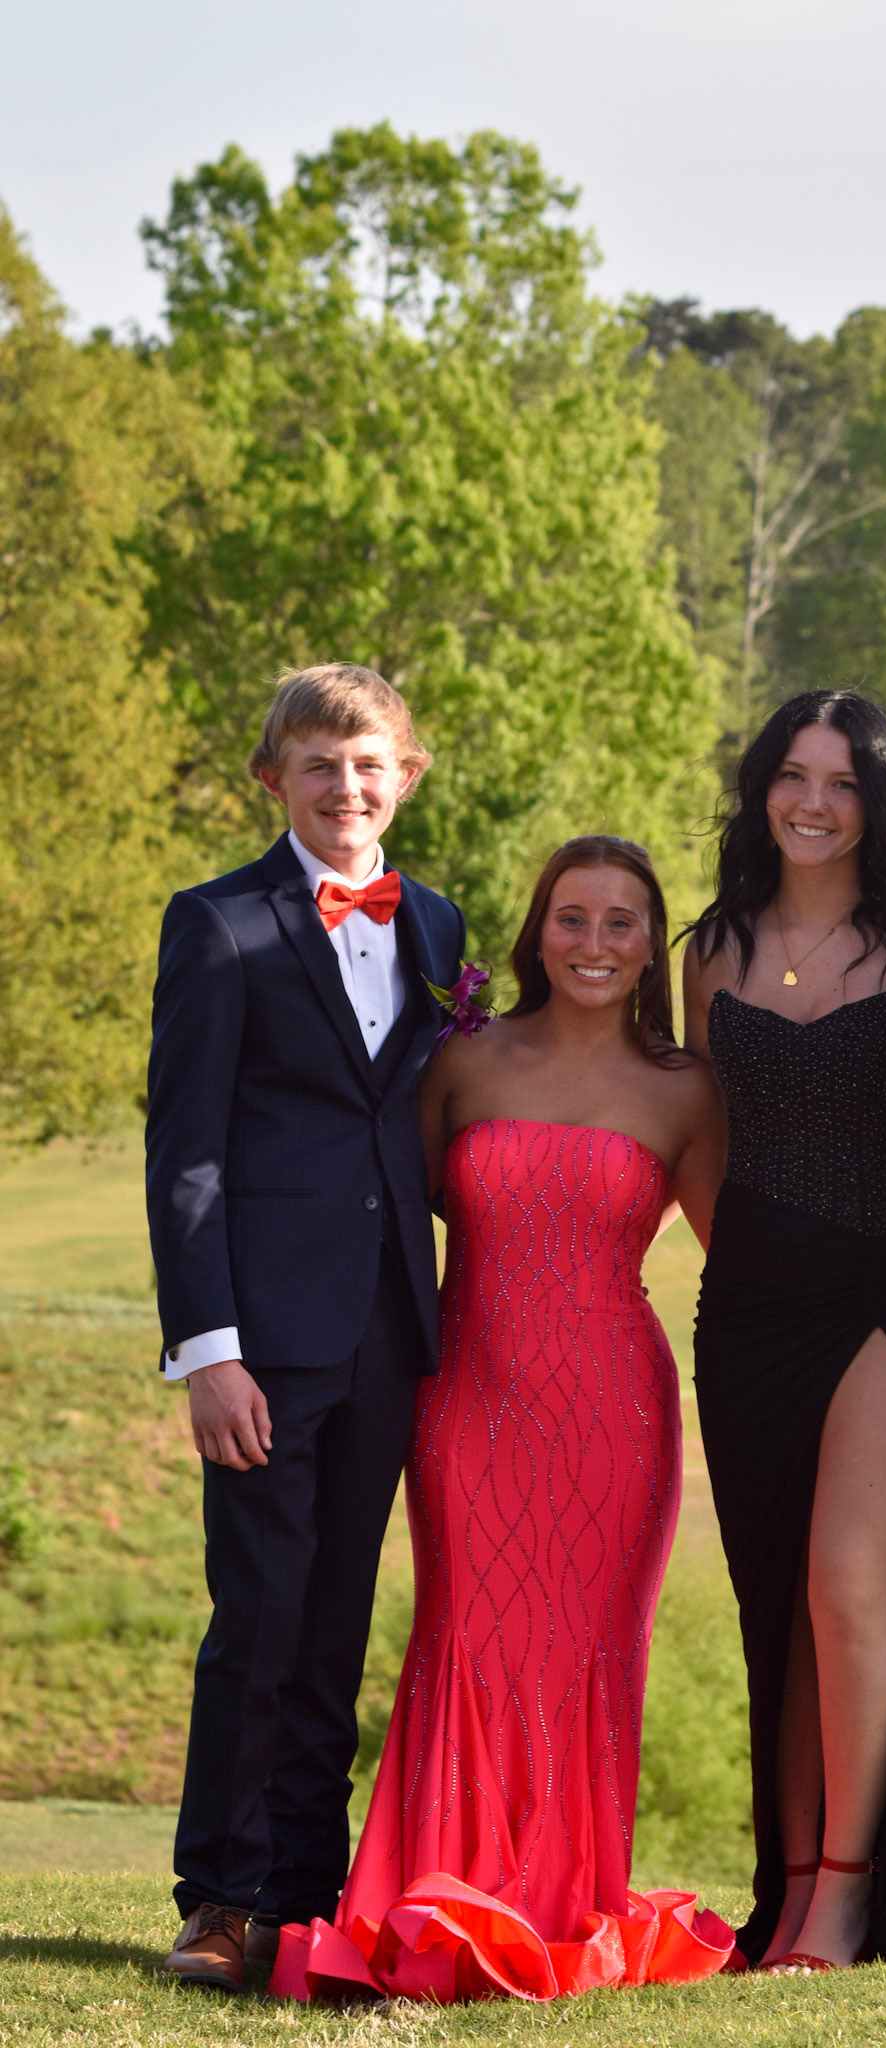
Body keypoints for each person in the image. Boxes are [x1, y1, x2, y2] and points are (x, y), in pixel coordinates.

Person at [271, 836, 733, 2004]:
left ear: (652, 944)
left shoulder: (687, 1088)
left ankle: (560, 1902)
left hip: (615, 1415)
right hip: (468, 1399)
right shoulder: (463, 1059)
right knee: (464, 1636)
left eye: (622, 921)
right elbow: (379, 1216)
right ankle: (438, 1899)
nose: (594, 941)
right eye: (572, 916)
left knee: (584, 1656)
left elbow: (741, 1263)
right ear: (536, 931)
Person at [145, 665, 466, 1991]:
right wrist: (209, 1350)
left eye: (370, 762)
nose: (347, 786)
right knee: (260, 1619)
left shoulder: (436, 922)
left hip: (392, 1326)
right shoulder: (218, 923)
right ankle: (219, 1899)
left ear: (407, 776)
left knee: (336, 1623)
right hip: (265, 1339)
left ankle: (304, 1898)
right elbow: (186, 1153)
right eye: (320, 764)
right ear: (273, 776)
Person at [683, 693, 886, 1973]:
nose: (812, 802)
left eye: (843, 782)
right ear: (762, 788)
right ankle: (788, 1888)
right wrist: (744, 1257)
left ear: (879, 801)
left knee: (849, 1586)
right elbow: (700, 1134)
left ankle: (852, 1896)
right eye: (793, 775)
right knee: (776, 1606)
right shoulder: (711, 949)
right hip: (748, 1308)